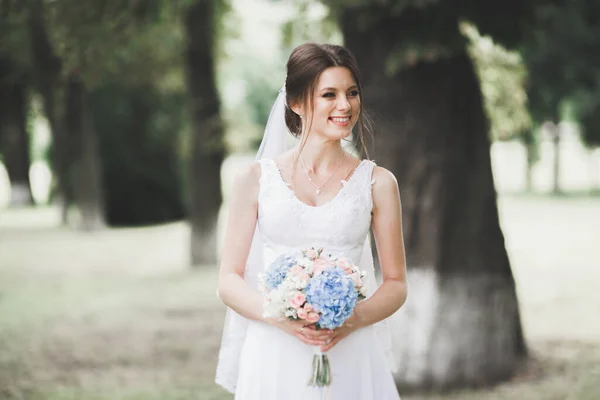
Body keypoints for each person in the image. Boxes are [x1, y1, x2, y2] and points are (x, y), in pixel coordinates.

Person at [215, 43, 407, 400]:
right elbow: (228, 280)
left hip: (350, 349)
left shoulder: (378, 183)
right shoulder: (255, 180)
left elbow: (396, 283)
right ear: (296, 103)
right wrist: (279, 316)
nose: (345, 106)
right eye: (329, 95)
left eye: (352, 93)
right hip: (273, 349)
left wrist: (351, 321)